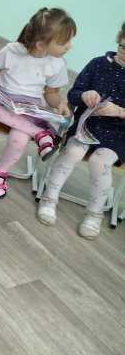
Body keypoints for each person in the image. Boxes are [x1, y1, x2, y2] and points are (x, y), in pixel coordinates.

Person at [0, 7, 76, 199]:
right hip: (0, 100)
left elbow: (51, 93)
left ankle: (0, 173)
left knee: (18, 139)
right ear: (41, 44)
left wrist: (60, 103)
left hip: (28, 109)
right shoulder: (12, 50)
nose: (69, 46)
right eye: (64, 42)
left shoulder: (57, 64)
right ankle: (39, 133)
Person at [37, 21, 125, 239]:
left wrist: (119, 111)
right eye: (124, 47)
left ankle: (94, 214)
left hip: (118, 133)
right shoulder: (98, 64)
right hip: (87, 125)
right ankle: (49, 197)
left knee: (100, 162)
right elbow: (74, 94)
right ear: (118, 40)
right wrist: (84, 96)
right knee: (73, 151)